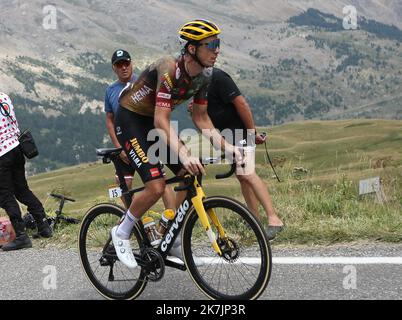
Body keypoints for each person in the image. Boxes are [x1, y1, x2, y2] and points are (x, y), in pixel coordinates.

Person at [111, 19, 242, 268]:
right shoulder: (168, 68)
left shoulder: (205, 76)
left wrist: (230, 148)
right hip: (131, 121)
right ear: (192, 48)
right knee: (156, 186)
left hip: (153, 122)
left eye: (218, 43)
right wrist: (183, 151)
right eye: (211, 44)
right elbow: (161, 119)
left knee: (190, 173)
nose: (217, 50)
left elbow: (201, 118)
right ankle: (122, 231)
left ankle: (171, 238)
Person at [195, 67, 285, 240]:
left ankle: (275, 220)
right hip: (227, 135)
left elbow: (242, 104)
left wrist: (251, 133)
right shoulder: (196, 81)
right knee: (241, 176)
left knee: (247, 173)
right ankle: (255, 220)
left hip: (239, 131)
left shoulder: (219, 77)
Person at [105, 49, 176, 210]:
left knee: (160, 181)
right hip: (125, 141)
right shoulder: (110, 91)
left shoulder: (143, 82)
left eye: (126, 63)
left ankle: (172, 221)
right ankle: (136, 224)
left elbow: (162, 110)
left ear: (132, 63)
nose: (124, 67)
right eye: (119, 65)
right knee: (124, 182)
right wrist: (118, 146)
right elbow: (110, 120)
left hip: (145, 138)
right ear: (114, 68)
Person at [0, 93, 52, 251]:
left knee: (5, 195)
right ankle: (43, 225)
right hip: (16, 148)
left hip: (2, 153)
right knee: (22, 190)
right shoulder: (4, 97)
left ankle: (21, 236)